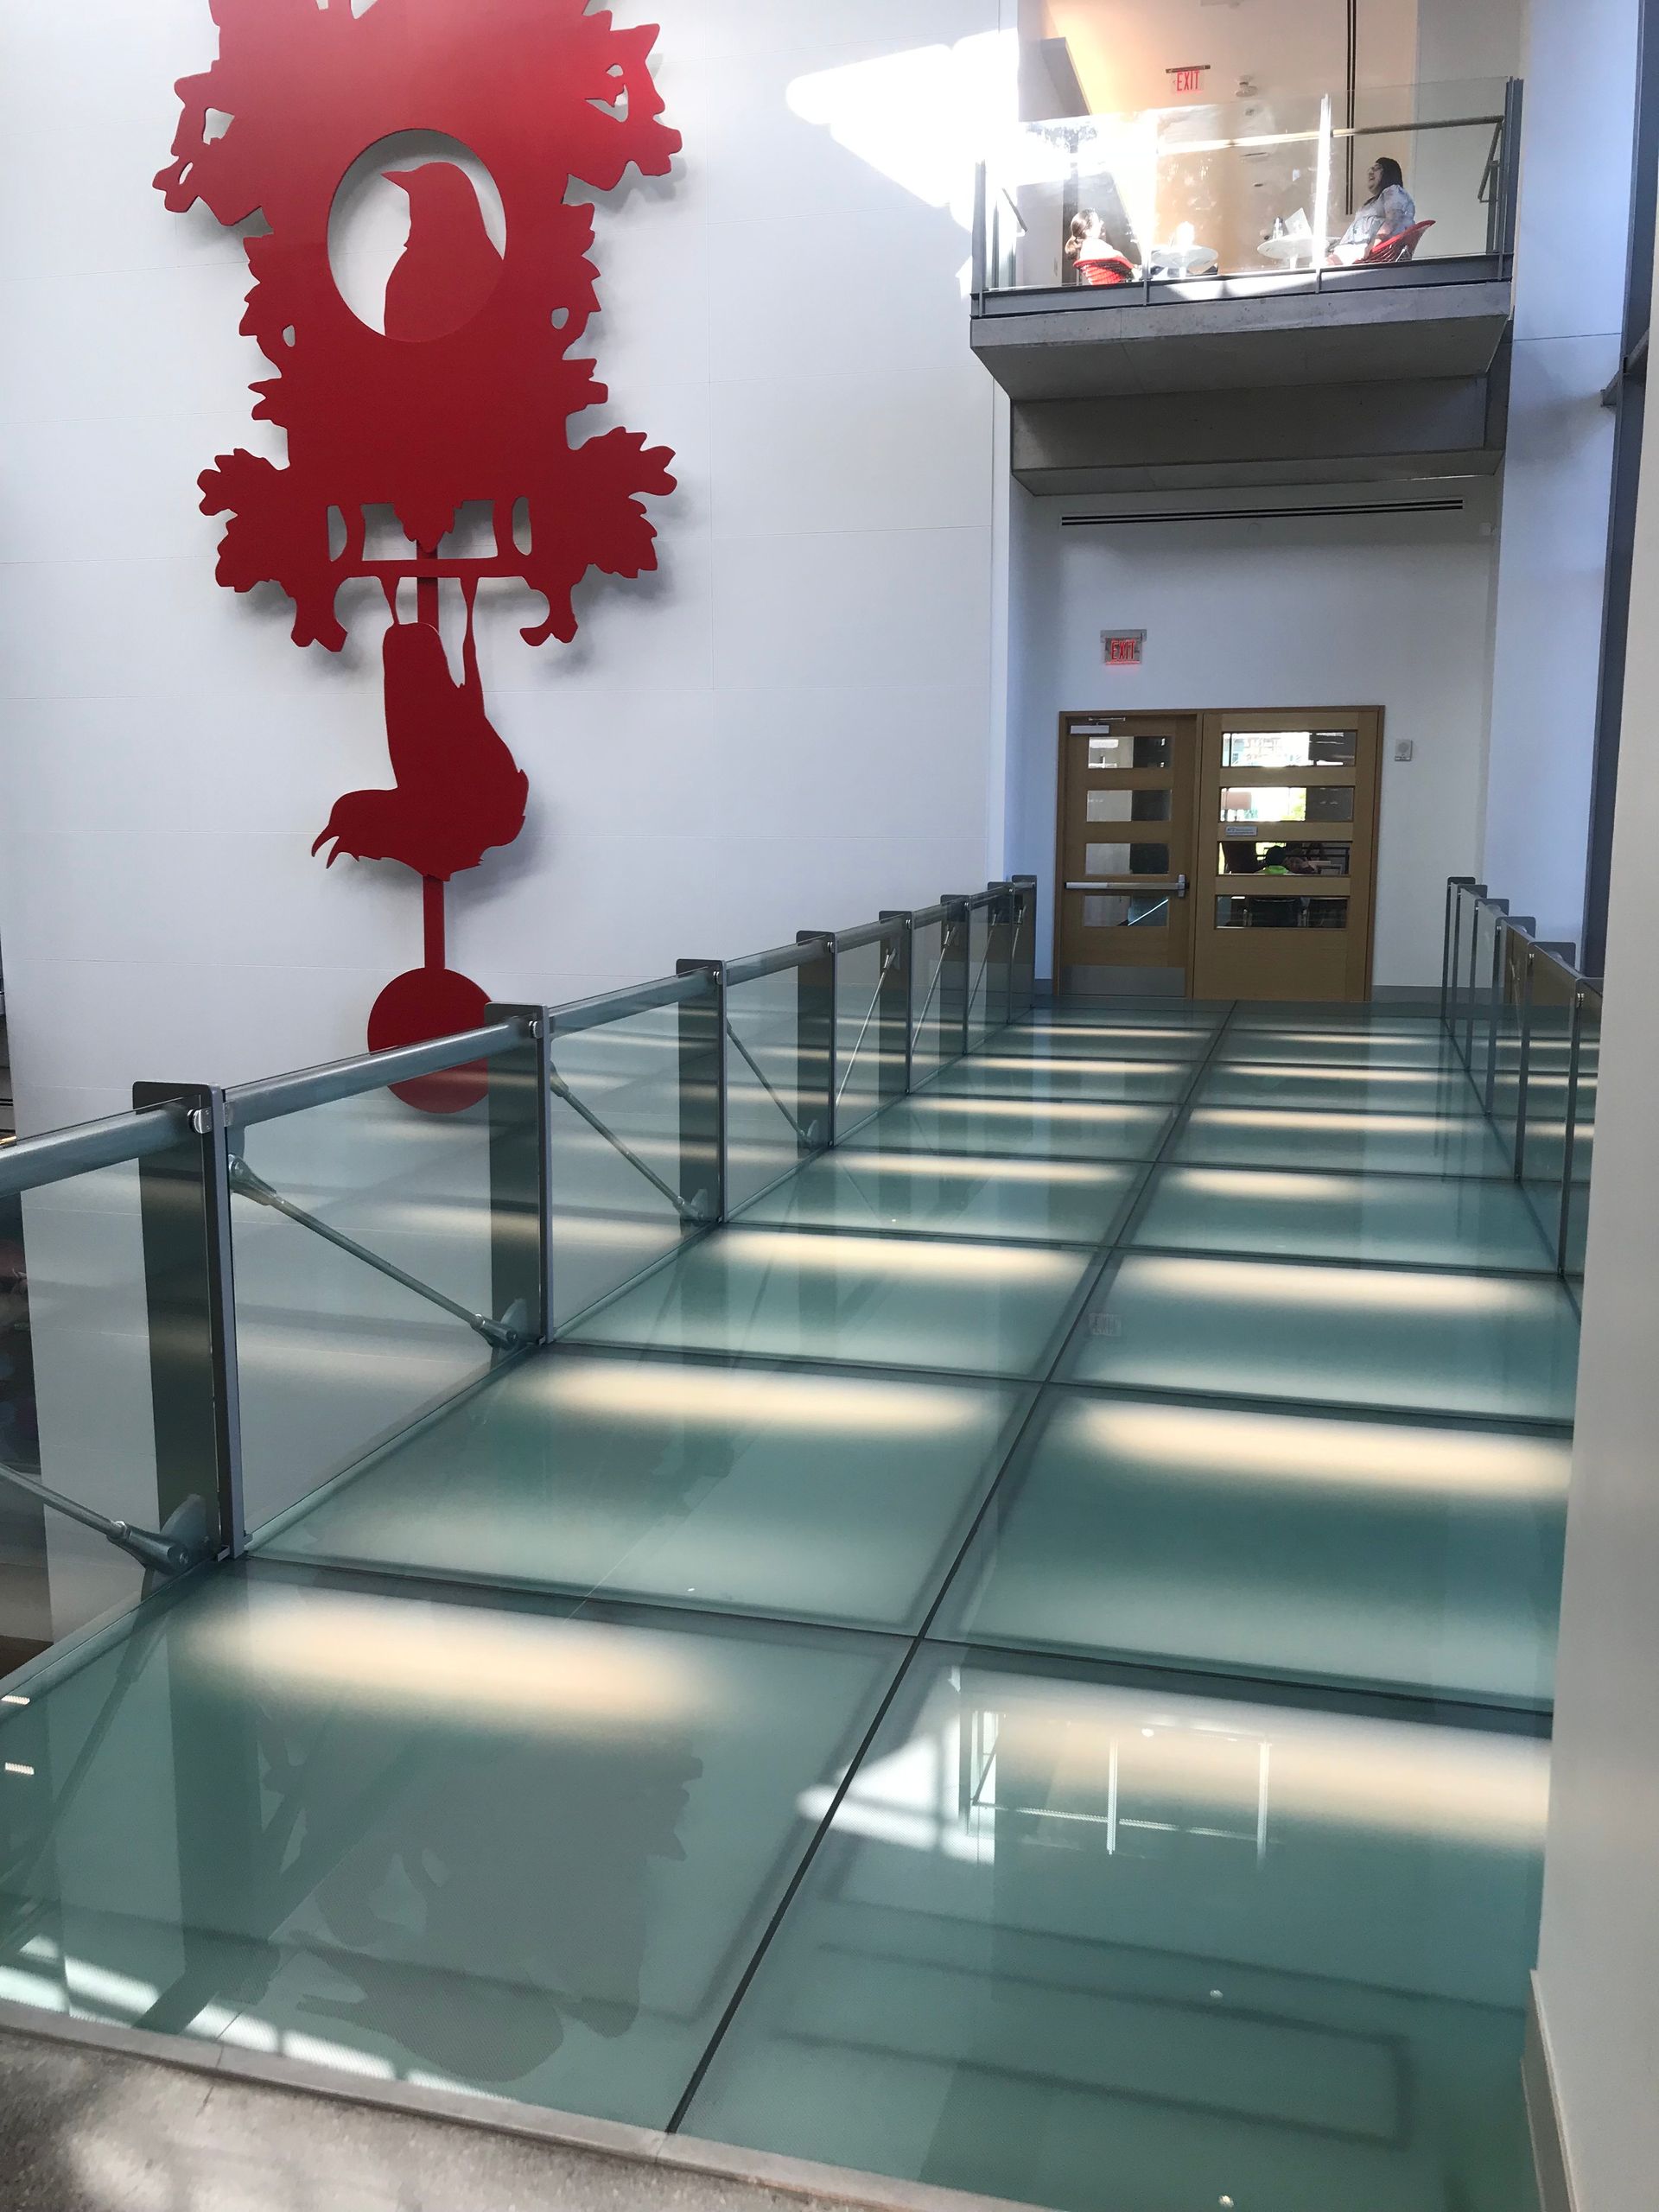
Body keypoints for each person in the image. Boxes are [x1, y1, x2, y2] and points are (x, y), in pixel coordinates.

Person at [1327, 157, 1415, 266]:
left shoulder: (1393, 191)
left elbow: (1394, 220)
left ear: (1388, 173)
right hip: (1355, 252)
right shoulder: (1373, 202)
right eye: (1371, 169)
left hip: (1366, 253)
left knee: (1322, 266)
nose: (1371, 172)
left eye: (1377, 168)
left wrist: (1373, 245)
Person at [1065, 207, 1136, 287]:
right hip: (1121, 284)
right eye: (1098, 221)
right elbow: (1120, 258)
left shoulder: (1085, 249)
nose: (1102, 223)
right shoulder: (1095, 244)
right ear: (1088, 231)